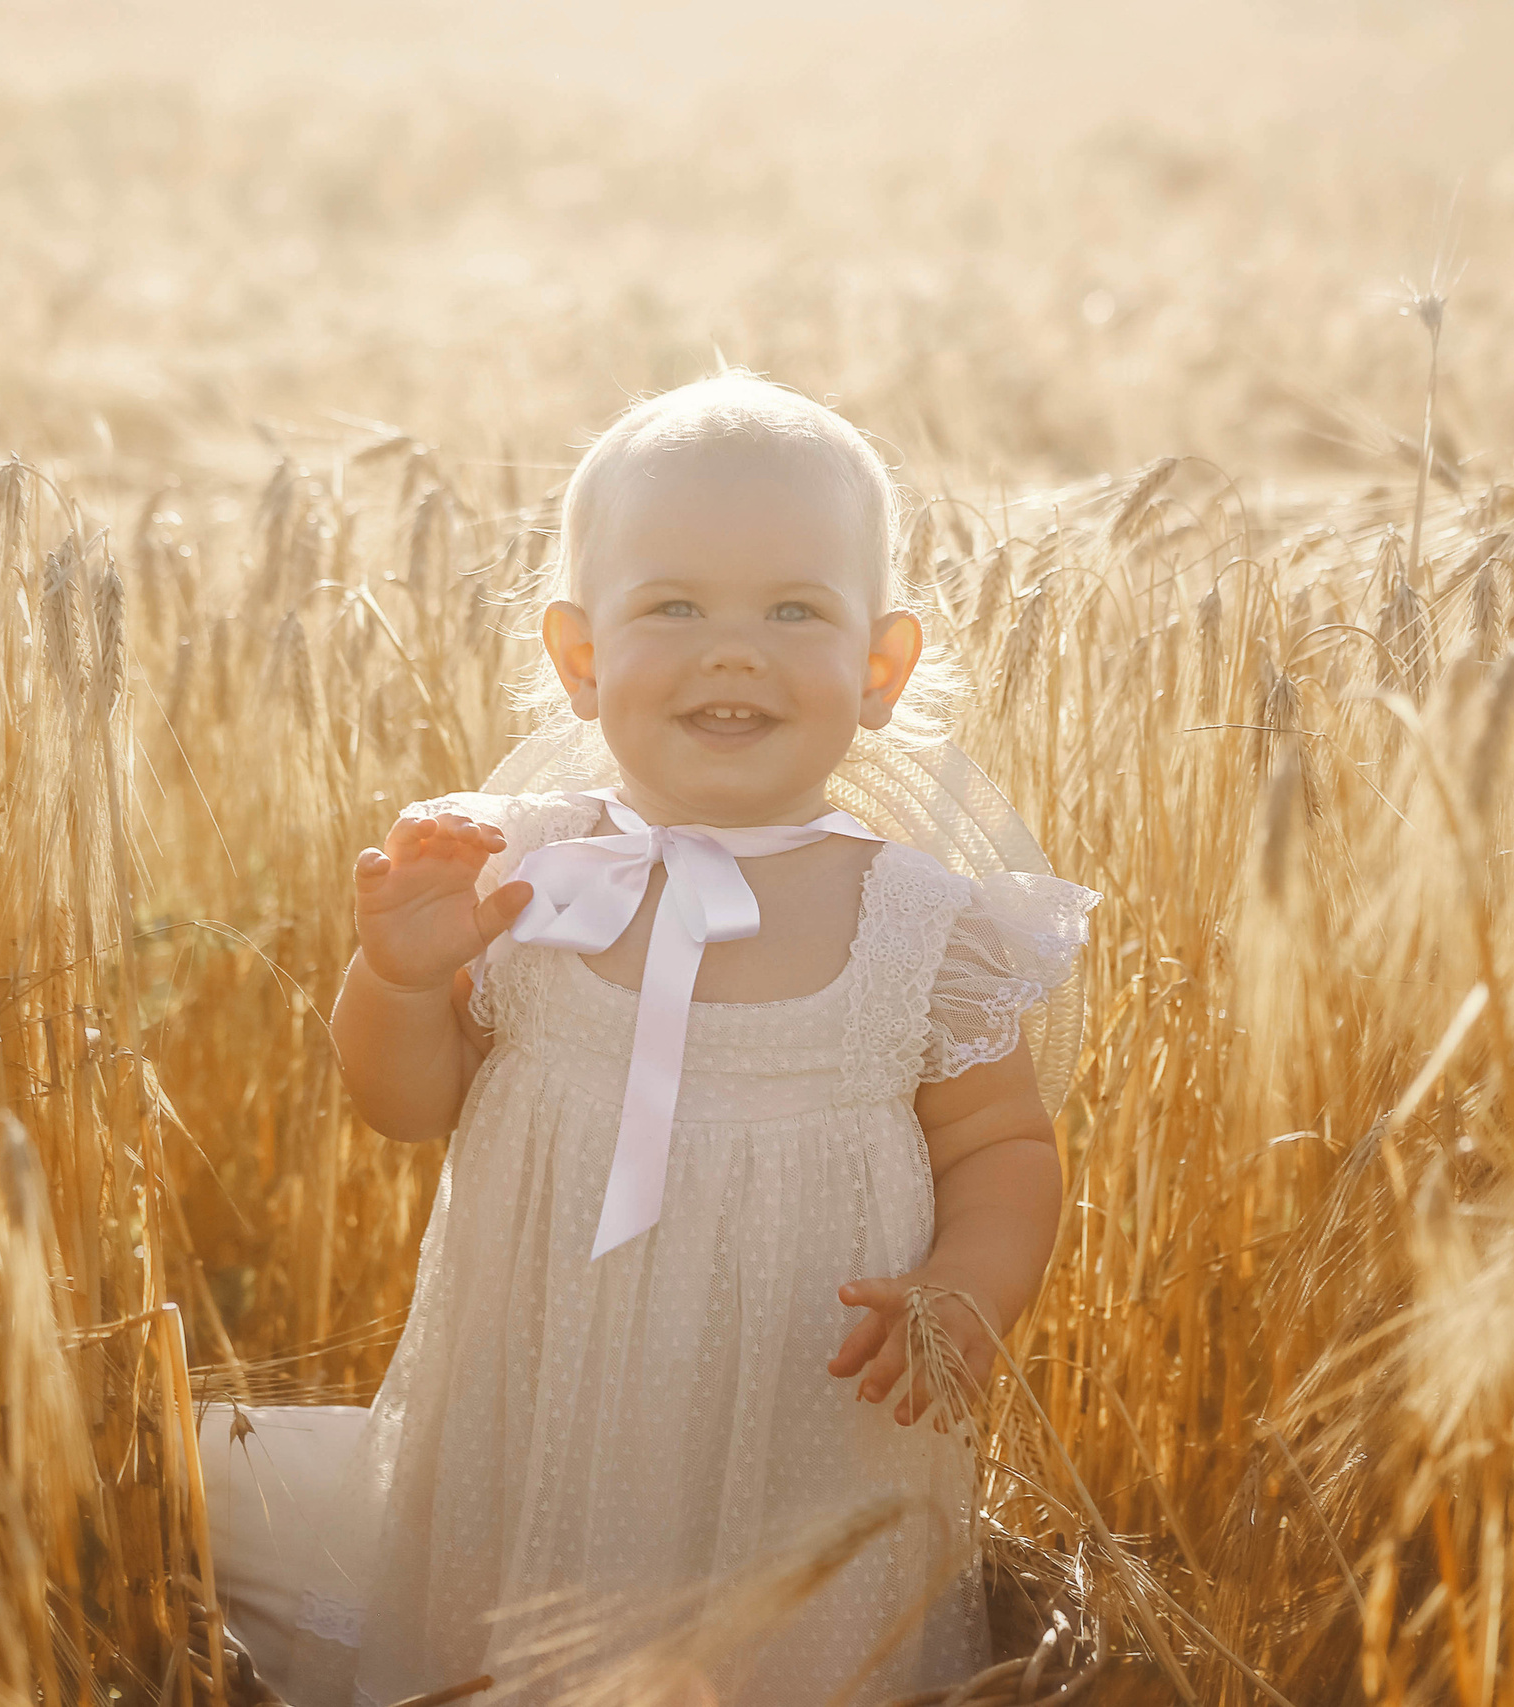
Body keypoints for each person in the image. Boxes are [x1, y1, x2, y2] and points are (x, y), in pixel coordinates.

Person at [203, 372, 1095, 1707]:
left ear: (880, 670)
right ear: (581, 660)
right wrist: (397, 979)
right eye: (673, 607)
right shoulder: (516, 876)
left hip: (817, 1422)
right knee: (505, 1644)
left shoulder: (920, 922)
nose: (731, 649)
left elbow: (1003, 1142)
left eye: (793, 610)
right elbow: (403, 1104)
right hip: (542, 1392)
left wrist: (968, 1286)